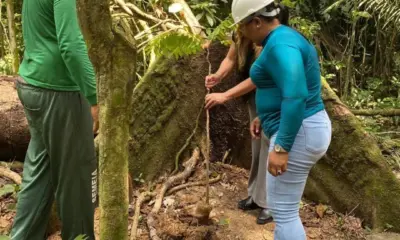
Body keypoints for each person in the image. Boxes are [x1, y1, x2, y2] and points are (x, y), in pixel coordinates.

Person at [230, 0, 332, 239]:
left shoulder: (280, 45)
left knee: (283, 212)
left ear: (256, 21)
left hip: (299, 133)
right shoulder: (281, 39)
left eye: (241, 26)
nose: (241, 33)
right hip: (305, 128)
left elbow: (296, 95)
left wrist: (282, 145)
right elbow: (282, 85)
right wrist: (265, 118)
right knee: (286, 210)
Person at [10, 0, 98, 239]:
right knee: (79, 177)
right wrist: (93, 96)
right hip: (60, 92)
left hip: (32, 85)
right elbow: (70, 44)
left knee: (39, 175)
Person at [204, 30, 273, 225]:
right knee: (258, 144)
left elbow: (259, 77)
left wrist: (225, 95)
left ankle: (270, 202)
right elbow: (230, 58)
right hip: (253, 97)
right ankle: (256, 196)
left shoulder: (269, 36)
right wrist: (217, 76)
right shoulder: (240, 33)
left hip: (273, 94)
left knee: (271, 145)